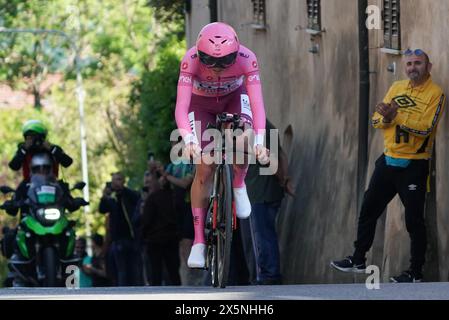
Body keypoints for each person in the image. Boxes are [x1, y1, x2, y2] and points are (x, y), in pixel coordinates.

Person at [331, 49, 445, 283]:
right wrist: (385, 118)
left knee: (414, 220)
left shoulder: (436, 93)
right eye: (410, 63)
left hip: (414, 164)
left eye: (418, 63)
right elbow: (376, 120)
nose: (413, 67)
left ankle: (415, 272)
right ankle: (358, 258)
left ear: (429, 67)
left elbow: (426, 127)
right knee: (368, 209)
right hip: (388, 161)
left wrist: (397, 117)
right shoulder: (396, 88)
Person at [174, 22, 269, 268]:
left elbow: (257, 105)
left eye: (225, 62)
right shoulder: (190, 60)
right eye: (210, 61)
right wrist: (190, 140)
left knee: (244, 139)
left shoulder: (248, 59)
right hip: (200, 104)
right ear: (199, 53)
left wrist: (258, 142)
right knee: (205, 166)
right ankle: (199, 242)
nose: (216, 68)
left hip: (234, 99)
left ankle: (238, 183)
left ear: (236, 54)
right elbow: (182, 108)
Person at [242, 119, 295, 285]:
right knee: (264, 235)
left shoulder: (258, 127)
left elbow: (274, 161)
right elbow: (281, 155)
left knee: (261, 237)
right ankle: (267, 275)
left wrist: (282, 180)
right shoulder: (265, 126)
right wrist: (284, 180)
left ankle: (268, 275)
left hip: (260, 192)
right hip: (263, 192)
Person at [99, 172, 142, 286]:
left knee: (134, 269)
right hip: (118, 240)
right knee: (121, 270)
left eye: (118, 180)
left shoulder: (129, 195)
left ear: (123, 181)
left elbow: (137, 198)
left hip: (131, 237)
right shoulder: (112, 198)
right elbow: (102, 209)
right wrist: (104, 196)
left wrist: (122, 190)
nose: (115, 183)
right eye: (113, 181)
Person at [141, 172, 181, 286]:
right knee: (173, 270)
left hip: (155, 239)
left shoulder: (152, 198)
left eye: (149, 182)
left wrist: (144, 235)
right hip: (171, 237)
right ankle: (178, 290)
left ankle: (156, 293)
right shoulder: (174, 196)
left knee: (155, 271)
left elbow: (146, 220)